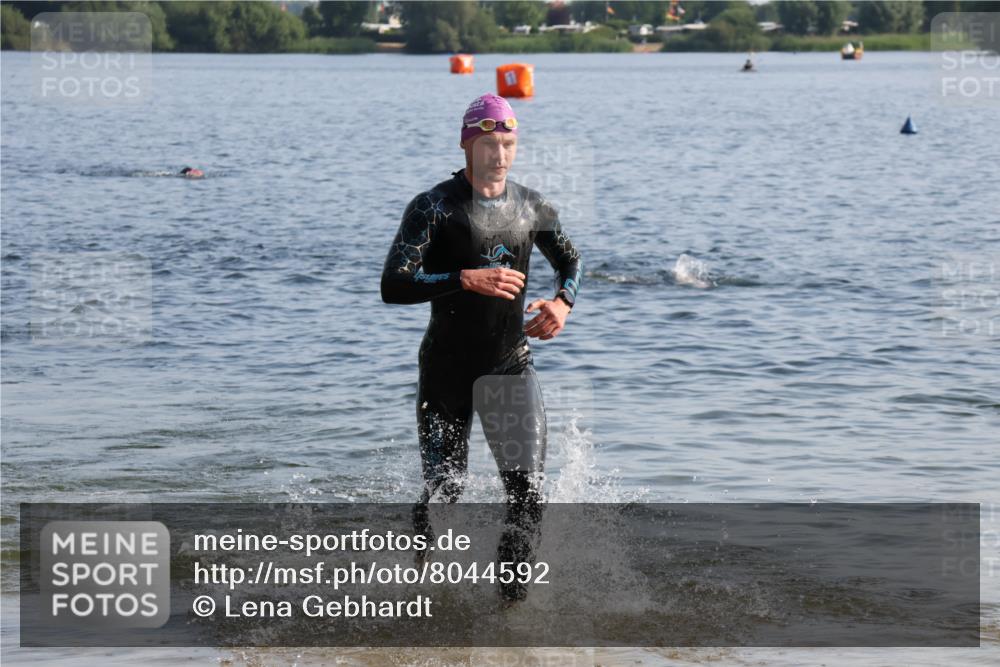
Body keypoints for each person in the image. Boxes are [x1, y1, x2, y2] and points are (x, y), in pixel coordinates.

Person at [381, 93, 582, 603]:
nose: (500, 155)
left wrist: (562, 303)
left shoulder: (532, 206)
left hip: (509, 366)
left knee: (529, 494)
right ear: (466, 144)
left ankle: (509, 611)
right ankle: (417, 586)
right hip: (446, 370)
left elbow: (571, 261)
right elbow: (394, 284)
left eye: (509, 144)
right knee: (446, 491)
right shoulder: (433, 207)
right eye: (489, 145)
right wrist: (463, 278)